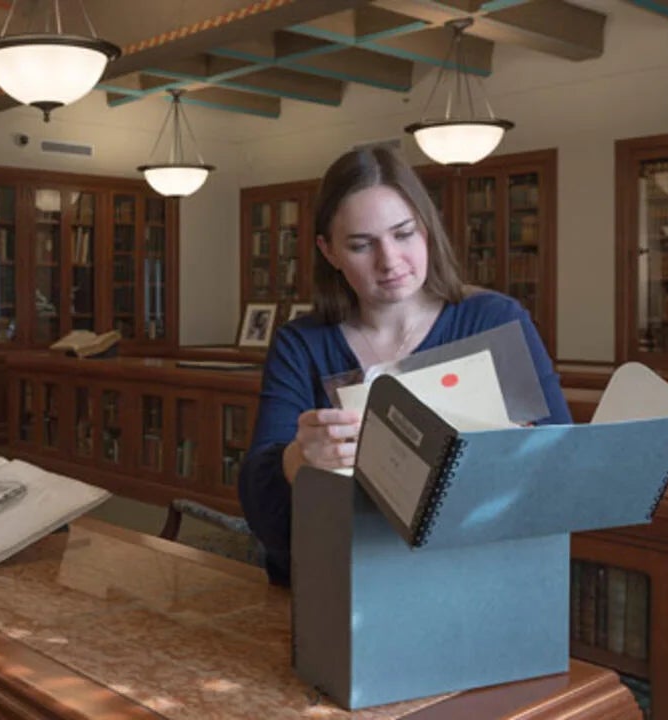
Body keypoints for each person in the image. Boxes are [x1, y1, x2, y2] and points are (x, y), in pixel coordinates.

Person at [238, 146, 571, 587]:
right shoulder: (301, 345)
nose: (390, 261)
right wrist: (299, 460)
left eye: (404, 234)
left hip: (477, 580)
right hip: (342, 584)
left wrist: (519, 453)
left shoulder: (496, 321)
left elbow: (563, 470)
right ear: (328, 251)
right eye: (361, 245)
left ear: (427, 229)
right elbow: (263, 515)